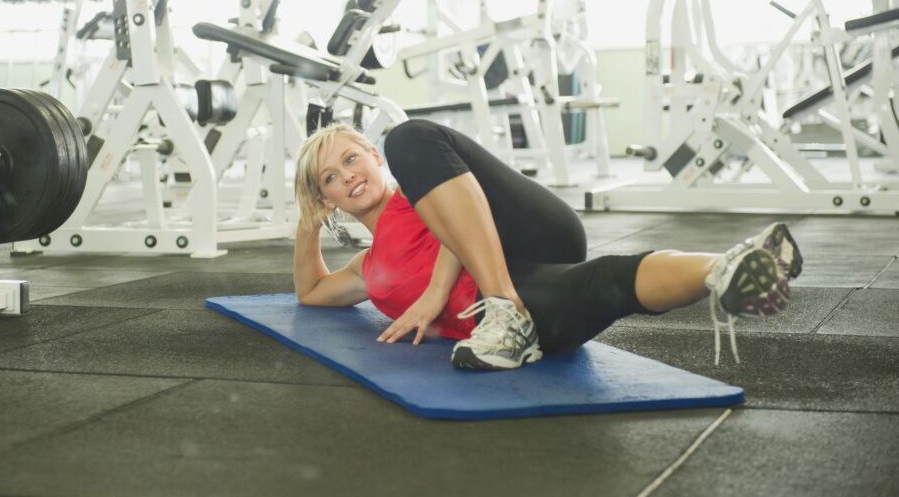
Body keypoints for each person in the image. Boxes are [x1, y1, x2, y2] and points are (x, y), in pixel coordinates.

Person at [293, 119, 801, 370]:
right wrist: (307, 220)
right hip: (530, 299)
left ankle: (503, 310)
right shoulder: (369, 265)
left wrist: (434, 294)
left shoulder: (423, 197)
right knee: (605, 282)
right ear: (329, 199)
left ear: (373, 159)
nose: (348, 177)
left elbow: (464, 221)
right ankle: (732, 266)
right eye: (331, 179)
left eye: (352, 159)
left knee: (409, 137)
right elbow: (312, 291)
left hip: (530, 237)